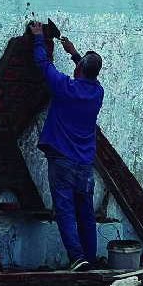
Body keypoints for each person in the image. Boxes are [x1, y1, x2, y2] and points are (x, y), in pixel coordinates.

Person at [29, 21, 104, 272]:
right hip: (84, 162)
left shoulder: (65, 88)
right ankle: (90, 258)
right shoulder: (97, 93)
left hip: (62, 159)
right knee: (85, 212)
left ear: (79, 69)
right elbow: (88, 74)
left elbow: (43, 65)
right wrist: (73, 54)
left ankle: (77, 257)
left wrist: (38, 37)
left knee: (65, 209)